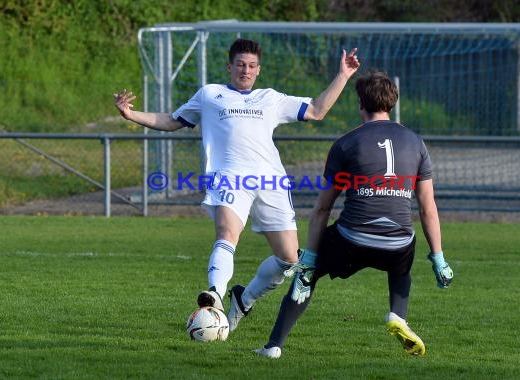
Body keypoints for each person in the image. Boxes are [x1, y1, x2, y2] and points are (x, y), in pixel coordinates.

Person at [113, 38, 360, 332]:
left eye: (252, 66)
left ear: (258, 70)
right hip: (229, 177)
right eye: (240, 65)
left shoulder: (270, 98)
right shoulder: (210, 95)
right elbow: (171, 120)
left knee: (289, 258)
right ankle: (215, 293)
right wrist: (131, 115)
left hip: (270, 183)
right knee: (227, 233)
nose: (246, 70)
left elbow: (317, 110)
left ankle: (243, 298)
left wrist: (343, 75)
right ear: (230, 66)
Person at [255, 70, 454, 359]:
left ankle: (273, 346)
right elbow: (427, 208)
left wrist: (309, 258)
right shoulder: (416, 142)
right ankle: (398, 315)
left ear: (361, 104)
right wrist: (438, 257)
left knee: (306, 277)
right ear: (392, 102)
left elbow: (323, 207)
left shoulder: (346, 144)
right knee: (402, 260)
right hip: (397, 243)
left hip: (353, 238)